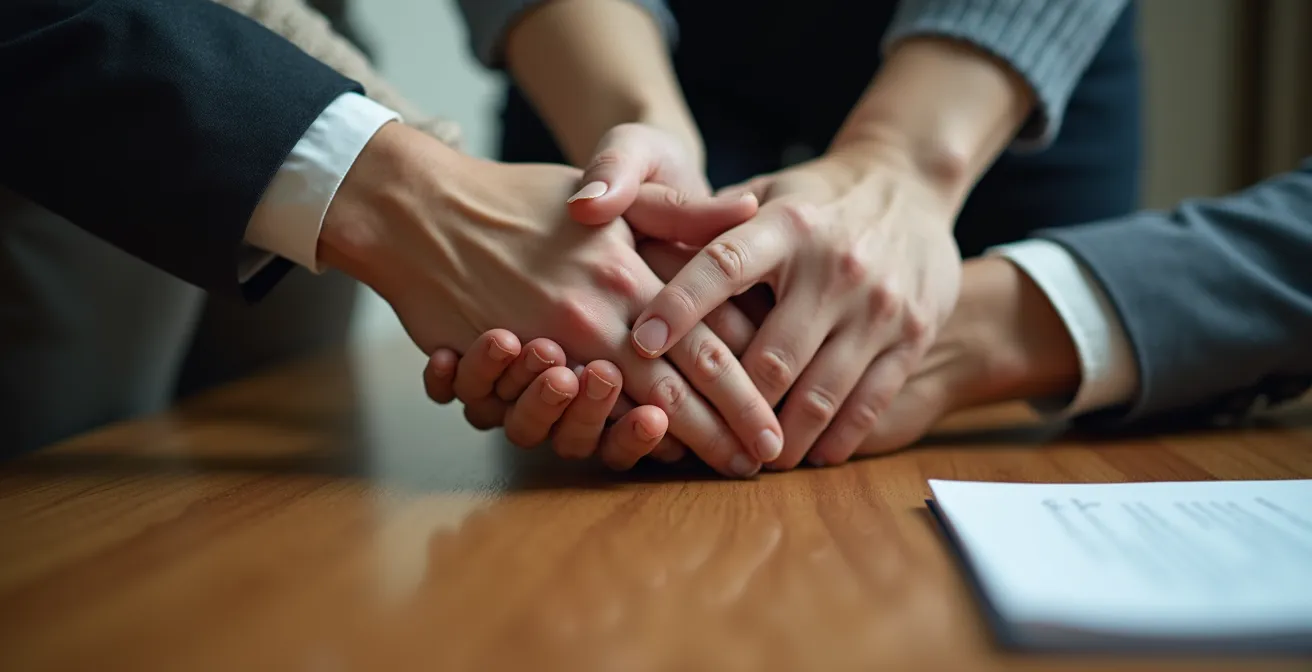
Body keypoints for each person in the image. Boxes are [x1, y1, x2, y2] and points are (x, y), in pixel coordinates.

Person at [0, 0, 787, 478]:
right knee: (72, 493)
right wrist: (414, 191)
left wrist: (644, 134)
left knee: (273, 517)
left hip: (307, 76)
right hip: (75, 77)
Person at [458, 0, 1143, 468]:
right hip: (603, 29)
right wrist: (634, 129)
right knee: (611, 329)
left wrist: (906, 163)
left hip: (992, 46)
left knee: (1045, 397)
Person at [430, 159, 1312, 468]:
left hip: (997, 128)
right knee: (587, 317)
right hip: (603, 108)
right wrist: (636, 133)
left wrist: (975, 323)